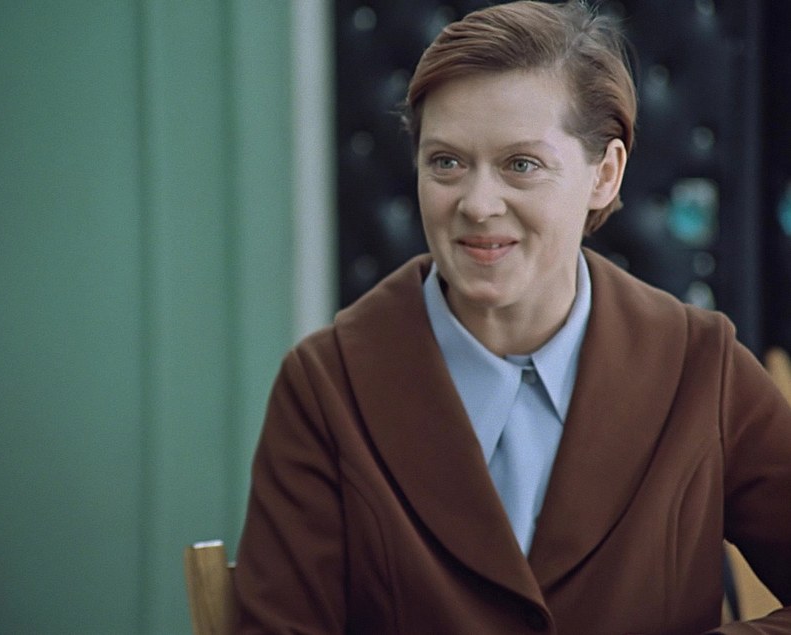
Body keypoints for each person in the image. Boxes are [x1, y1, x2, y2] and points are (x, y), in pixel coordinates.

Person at [232, 1, 791, 632]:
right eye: (446, 162)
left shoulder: (701, 366)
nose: (477, 204)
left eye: (521, 164)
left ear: (604, 175)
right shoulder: (325, 387)